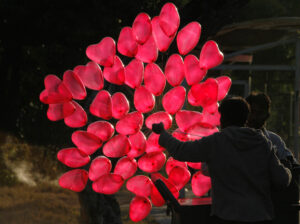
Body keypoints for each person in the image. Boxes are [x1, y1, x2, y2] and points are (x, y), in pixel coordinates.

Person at [152, 97, 291, 224]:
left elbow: (182, 150)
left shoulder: (217, 142)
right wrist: (288, 171)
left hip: (227, 216)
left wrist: (163, 134)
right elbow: (282, 179)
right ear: (245, 118)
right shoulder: (262, 142)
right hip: (259, 216)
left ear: (223, 118)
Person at [246, 92, 300, 224]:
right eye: (252, 112)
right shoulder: (237, 140)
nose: (254, 117)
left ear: (267, 115)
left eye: (260, 113)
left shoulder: (274, 139)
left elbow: (292, 167)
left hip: (273, 210)